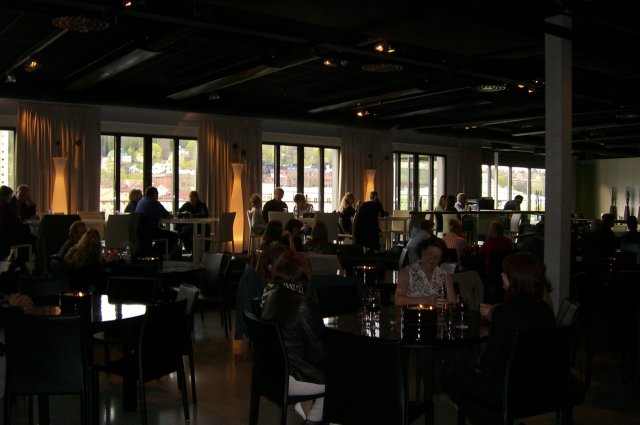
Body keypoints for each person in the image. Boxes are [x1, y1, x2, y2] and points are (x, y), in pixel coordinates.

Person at [446, 253, 556, 425]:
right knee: (472, 391)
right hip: (544, 382)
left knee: (452, 379)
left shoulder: (505, 312)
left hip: (510, 386)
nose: (501, 274)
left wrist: (478, 369)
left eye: (505, 272)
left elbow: (492, 359)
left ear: (515, 278)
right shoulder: (545, 309)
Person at [260, 250, 326, 425]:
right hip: (292, 378)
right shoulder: (303, 304)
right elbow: (319, 350)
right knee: (346, 375)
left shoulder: (272, 298)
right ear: (304, 273)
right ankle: (313, 419)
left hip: (269, 374)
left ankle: (308, 410)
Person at [395, 237, 457, 307]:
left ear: (440, 259)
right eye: (429, 254)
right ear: (422, 251)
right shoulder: (407, 272)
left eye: (436, 257)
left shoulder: (444, 275)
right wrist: (426, 301)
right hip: (413, 313)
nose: (432, 259)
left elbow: (452, 303)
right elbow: (398, 300)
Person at [135, 186, 179, 259]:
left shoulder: (141, 202)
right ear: (154, 195)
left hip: (140, 232)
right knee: (174, 235)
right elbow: (168, 216)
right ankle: (159, 253)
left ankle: (155, 252)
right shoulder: (154, 203)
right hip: (150, 231)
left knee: (163, 232)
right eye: (157, 194)